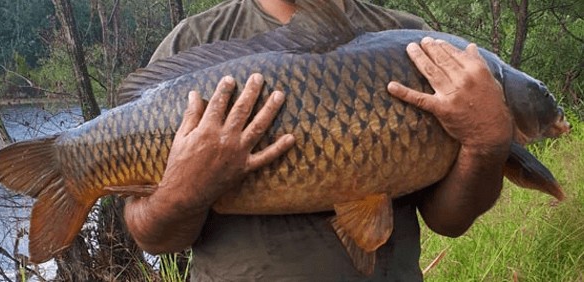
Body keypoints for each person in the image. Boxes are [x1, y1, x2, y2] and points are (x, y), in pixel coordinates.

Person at [123, 0, 513, 281]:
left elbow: (449, 221)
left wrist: (486, 145)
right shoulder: (194, 43)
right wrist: (183, 191)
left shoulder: (415, 46)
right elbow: (151, 236)